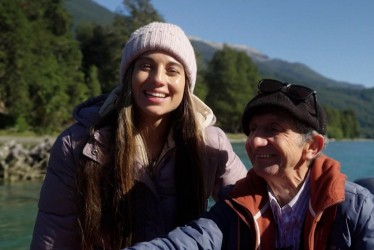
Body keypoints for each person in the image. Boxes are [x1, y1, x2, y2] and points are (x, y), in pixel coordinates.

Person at [30, 22, 247, 250]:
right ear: (129, 76)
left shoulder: (211, 144)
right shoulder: (76, 145)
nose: (158, 79)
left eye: (172, 70)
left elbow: (248, 209)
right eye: (146, 66)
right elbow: (54, 236)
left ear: (186, 84)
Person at [125, 79, 374, 249]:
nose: (254, 142)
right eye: (253, 130)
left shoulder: (355, 207)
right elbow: (187, 243)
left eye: (272, 130)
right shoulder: (237, 206)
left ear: (312, 146)